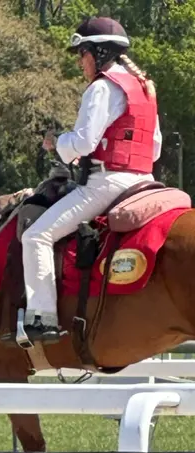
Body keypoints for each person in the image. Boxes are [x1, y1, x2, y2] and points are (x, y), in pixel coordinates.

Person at [18, 16, 162, 344]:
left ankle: (43, 318)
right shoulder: (145, 89)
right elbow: (154, 149)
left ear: (98, 53)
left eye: (81, 54)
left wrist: (57, 143)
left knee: (36, 236)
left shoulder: (101, 87)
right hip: (146, 183)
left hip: (106, 185)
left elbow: (83, 143)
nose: (79, 62)